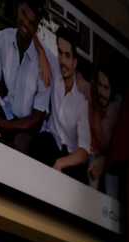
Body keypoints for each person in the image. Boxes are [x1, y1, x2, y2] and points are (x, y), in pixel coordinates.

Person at [0, 1, 51, 153]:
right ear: (18, 9)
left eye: (32, 22)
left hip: (29, 127)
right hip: (7, 111)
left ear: (37, 25)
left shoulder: (45, 66)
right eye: (24, 14)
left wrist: (2, 124)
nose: (25, 23)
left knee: (20, 143)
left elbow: (36, 120)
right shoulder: (2, 39)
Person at [31, 28, 91, 181]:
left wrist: (60, 163)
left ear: (75, 62)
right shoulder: (56, 69)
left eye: (67, 56)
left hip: (69, 158)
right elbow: (34, 35)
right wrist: (43, 55)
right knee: (37, 145)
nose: (62, 60)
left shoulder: (82, 100)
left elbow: (83, 152)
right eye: (60, 52)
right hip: (49, 142)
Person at [87, 65, 121, 191]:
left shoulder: (116, 110)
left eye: (106, 88)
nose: (101, 92)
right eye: (99, 85)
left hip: (109, 161)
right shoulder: (91, 100)